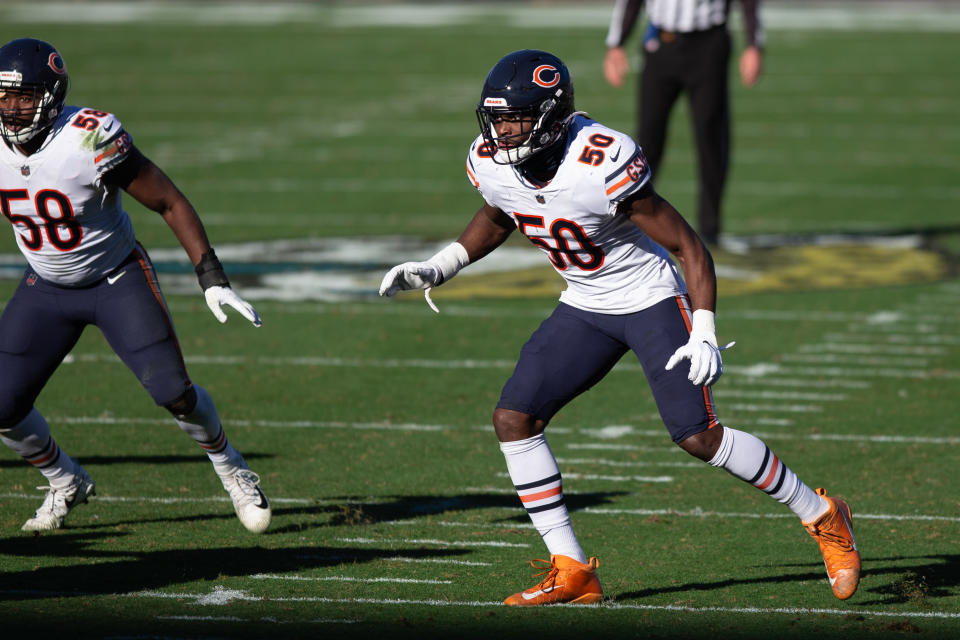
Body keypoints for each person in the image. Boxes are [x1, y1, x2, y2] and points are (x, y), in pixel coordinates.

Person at [379, 49, 859, 605]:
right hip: (586, 302)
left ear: (553, 117)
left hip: (650, 297)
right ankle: (573, 568)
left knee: (698, 435)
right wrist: (442, 264)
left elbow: (688, 247)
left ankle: (822, 514)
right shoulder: (491, 159)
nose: (502, 132)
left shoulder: (600, 160)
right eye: (497, 120)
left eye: (516, 119)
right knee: (515, 418)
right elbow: (497, 212)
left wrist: (702, 326)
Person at [0, 38, 271, 534]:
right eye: (3, 97)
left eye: (23, 97)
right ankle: (65, 481)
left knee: (173, 391)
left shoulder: (88, 138)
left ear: (53, 95)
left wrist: (211, 278)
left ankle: (232, 469)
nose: (12, 109)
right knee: (1, 403)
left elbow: (167, 200)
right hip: (45, 285)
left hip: (114, 277)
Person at [603, 0, 765, 246]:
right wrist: (616, 44)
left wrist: (754, 44)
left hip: (709, 43)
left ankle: (709, 229)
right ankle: (632, 220)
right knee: (648, 138)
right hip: (662, 40)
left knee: (711, 136)